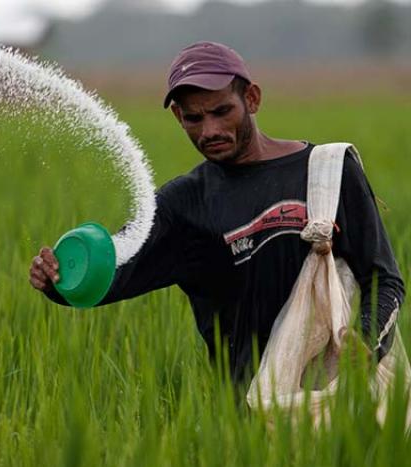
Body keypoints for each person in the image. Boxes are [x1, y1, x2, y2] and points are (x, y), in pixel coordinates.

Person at [28, 41, 404, 381]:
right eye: (194, 118)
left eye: (222, 111)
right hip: (249, 414)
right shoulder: (185, 204)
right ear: (178, 117)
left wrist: (366, 342)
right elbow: (114, 273)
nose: (209, 130)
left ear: (252, 99)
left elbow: (383, 277)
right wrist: (58, 281)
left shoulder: (328, 170)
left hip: (335, 396)